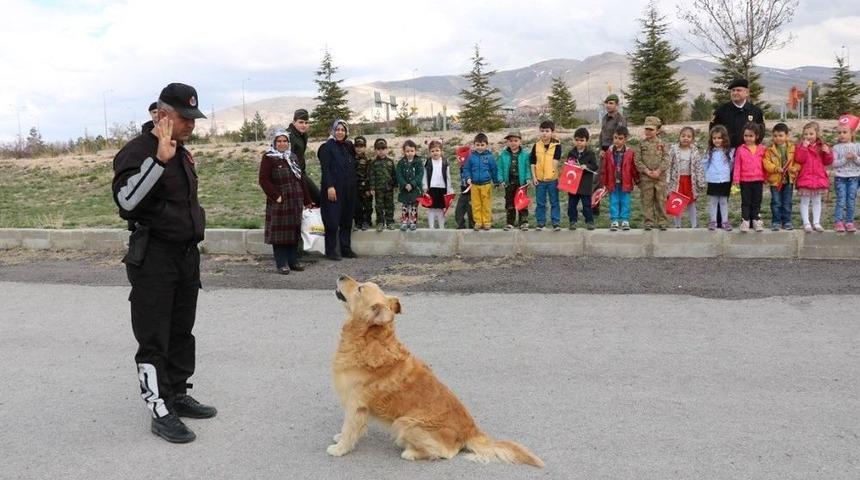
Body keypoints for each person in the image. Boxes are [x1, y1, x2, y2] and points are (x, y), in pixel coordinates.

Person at [112, 82, 216, 444]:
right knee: (154, 336)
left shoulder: (183, 151)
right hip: (154, 257)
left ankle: (176, 393)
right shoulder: (137, 152)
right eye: (185, 117)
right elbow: (127, 202)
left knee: (181, 331)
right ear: (161, 115)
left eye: (193, 117)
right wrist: (158, 161)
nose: (191, 125)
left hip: (185, 256)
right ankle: (159, 407)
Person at [258, 130, 311, 274]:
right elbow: (263, 180)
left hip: (295, 201)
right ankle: (282, 263)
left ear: (288, 143)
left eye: (284, 141)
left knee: (293, 231)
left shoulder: (292, 157)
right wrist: (276, 196)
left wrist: (307, 199)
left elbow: (300, 178)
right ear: (274, 143)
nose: (282, 144)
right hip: (280, 202)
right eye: (279, 141)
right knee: (280, 234)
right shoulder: (269, 158)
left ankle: (293, 261)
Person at [318, 119, 358, 260]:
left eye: (343, 130)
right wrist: (329, 186)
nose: (340, 132)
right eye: (338, 129)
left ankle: (346, 249)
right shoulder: (326, 147)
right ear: (333, 131)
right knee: (332, 221)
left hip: (349, 189)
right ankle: (331, 251)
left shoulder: (348, 146)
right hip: (334, 188)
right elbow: (325, 168)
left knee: (347, 220)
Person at [795, 121, 834, 233]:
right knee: (805, 201)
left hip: (818, 178)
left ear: (817, 134)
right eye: (806, 134)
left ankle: (816, 223)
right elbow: (799, 159)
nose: (808, 136)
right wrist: (803, 148)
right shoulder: (801, 146)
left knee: (817, 201)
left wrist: (828, 153)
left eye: (811, 134)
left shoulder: (822, 146)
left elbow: (828, 162)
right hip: (806, 178)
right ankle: (806, 223)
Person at [634, 116, 670, 231]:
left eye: (651, 129)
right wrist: (647, 171)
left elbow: (666, 159)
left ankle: (662, 221)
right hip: (646, 177)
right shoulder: (641, 144)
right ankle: (648, 222)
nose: (648, 132)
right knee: (647, 200)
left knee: (661, 200)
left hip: (660, 177)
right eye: (646, 129)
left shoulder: (663, 144)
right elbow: (637, 160)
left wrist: (659, 171)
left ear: (657, 131)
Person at [710, 78, 766, 149]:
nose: (735, 93)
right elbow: (713, 131)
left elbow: (761, 132)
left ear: (747, 92)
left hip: (748, 152)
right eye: (733, 90)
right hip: (727, 153)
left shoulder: (756, 111)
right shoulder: (721, 111)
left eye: (738, 90)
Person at [666, 126, 705, 228]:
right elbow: (668, 164)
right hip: (677, 181)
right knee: (676, 203)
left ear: (692, 139)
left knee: (691, 203)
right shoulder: (674, 150)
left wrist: (700, 181)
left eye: (689, 136)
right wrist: (667, 179)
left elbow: (698, 167)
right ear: (679, 137)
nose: (685, 138)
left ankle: (694, 225)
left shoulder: (694, 151)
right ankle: (677, 225)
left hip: (689, 181)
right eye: (683, 136)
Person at [762, 123, 799, 231]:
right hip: (775, 181)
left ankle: (787, 221)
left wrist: (794, 168)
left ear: (787, 136)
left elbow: (798, 161)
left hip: (788, 180)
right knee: (776, 202)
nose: (778, 138)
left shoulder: (793, 148)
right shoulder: (769, 150)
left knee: (787, 202)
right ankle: (776, 222)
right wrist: (775, 168)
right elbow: (766, 163)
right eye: (775, 135)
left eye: (781, 135)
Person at [601, 125, 638, 231]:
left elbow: (633, 168)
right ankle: (614, 220)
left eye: (620, 138)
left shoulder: (630, 152)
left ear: (625, 139)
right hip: (613, 182)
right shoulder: (608, 152)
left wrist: (637, 180)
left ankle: (625, 220)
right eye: (615, 138)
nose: (617, 141)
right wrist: (604, 182)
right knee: (614, 201)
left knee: (625, 201)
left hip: (625, 182)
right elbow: (605, 168)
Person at [732, 122, 767, 232]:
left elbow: (765, 164)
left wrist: (766, 178)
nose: (748, 138)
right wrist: (736, 179)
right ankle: (745, 221)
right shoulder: (740, 149)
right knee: (746, 202)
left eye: (751, 136)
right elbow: (737, 165)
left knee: (757, 202)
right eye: (746, 135)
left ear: (756, 136)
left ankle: (756, 220)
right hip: (745, 181)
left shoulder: (762, 149)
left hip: (758, 180)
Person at [564, 127, 599, 230]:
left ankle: (589, 221)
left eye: (582, 140)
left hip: (585, 184)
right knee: (572, 205)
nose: (579, 142)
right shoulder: (571, 153)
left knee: (586, 205)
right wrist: (571, 164)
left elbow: (595, 166)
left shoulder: (590, 153)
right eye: (577, 140)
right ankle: (572, 221)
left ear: (587, 141)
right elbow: (568, 164)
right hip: (573, 184)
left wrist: (586, 167)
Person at [496, 130, 532, 230]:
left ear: (520, 141)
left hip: (521, 183)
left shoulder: (525, 155)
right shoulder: (503, 155)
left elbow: (528, 168)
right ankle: (510, 222)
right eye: (510, 141)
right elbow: (499, 168)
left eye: (515, 140)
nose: (513, 143)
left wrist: (528, 178)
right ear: (507, 142)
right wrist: (501, 180)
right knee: (509, 203)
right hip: (509, 183)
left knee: (522, 203)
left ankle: (523, 222)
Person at [530, 120, 562, 231]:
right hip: (539, 179)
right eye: (542, 131)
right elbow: (532, 162)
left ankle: (556, 222)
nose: (544, 133)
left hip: (552, 179)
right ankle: (540, 223)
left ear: (552, 132)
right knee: (540, 202)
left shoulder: (557, 146)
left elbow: (556, 162)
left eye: (547, 131)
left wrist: (554, 174)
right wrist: (534, 177)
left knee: (554, 202)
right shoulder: (536, 145)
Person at [462, 133, 498, 230]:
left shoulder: (490, 157)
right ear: (474, 145)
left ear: (486, 145)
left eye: (482, 145)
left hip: (486, 184)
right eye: (477, 145)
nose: (480, 147)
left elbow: (494, 169)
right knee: (476, 204)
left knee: (486, 204)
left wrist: (496, 181)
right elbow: (466, 169)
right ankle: (478, 222)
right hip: (474, 185)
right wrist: (468, 177)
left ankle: (486, 222)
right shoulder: (471, 157)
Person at [704, 126, 734, 231]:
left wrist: (725, 174)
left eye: (719, 138)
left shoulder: (729, 151)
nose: (717, 140)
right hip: (712, 180)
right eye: (714, 138)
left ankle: (725, 221)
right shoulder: (709, 151)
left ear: (724, 138)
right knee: (713, 201)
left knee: (723, 201)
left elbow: (731, 165)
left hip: (724, 180)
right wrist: (707, 175)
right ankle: (713, 221)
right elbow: (705, 164)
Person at [832, 119, 860, 232]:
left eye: (844, 132)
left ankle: (849, 222)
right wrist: (844, 159)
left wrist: (855, 157)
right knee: (841, 200)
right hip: (840, 178)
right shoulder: (836, 148)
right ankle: (838, 222)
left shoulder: (857, 146)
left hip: (854, 178)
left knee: (851, 200)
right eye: (839, 133)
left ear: (852, 133)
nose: (841, 135)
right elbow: (834, 164)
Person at [288, 108, 321, 204]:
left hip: (301, 172)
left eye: (306, 123)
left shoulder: (303, 135)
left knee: (315, 199)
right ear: (294, 122)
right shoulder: (289, 136)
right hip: (292, 175)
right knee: (316, 198)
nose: (304, 125)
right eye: (301, 122)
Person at [421, 140, 454, 229]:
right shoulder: (427, 162)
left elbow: (448, 177)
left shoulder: (445, 162)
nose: (435, 153)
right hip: (431, 188)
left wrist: (449, 189)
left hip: (442, 188)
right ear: (429, 152)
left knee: (440, 209)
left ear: (441, 151)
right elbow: (424, 175)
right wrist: (424, 186)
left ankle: (441, 227)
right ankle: (431, 227)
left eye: (437, 150)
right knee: (431, 209)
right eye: (432, 151)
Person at [369, 138, 397, 232]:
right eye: (378, 149)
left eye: (383, 149)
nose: (381, 151)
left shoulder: (390, 161)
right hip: (378, 189)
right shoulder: (373, 163)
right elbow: (372, 175)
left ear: (386, 149)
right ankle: (380, 222)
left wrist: (395, 185)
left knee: (390, 206)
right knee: (379, 206)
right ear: (375, 150)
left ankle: (390, 222)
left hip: (389, 188)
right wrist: (372, 187)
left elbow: (394, 174)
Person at [396, 139, 424, 231]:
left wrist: (412, 184)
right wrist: (404, 184)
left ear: (415, 151)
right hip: (404, 189)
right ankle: (404, 221)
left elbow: (420, 175)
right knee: (405, 206)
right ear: (404, 151)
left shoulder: (418, 162)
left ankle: (413, 222)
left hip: (415, 189)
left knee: (414, 206)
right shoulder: (401, 163)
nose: (410, 153)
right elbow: (399, 175)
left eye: (412, 151)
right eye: (407, 151)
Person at [352, 136, 373, 230]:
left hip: (365, 188)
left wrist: (369, 188)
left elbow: (370, 175)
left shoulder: (368, 160)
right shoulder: (351, 159)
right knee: (357, 206)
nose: (359, 148)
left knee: (367, 206)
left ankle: (367, 222)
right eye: (357, 146)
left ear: (365, 147)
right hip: (355, 188)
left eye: (361, 146)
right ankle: (358, 222)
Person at [454, 146, 475, 229]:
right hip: (463, 192)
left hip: (472, 193)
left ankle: (472, 227)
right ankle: (461, 225)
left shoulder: (472, 167)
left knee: (471, 212)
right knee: (458, 211)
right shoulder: (462, 167)